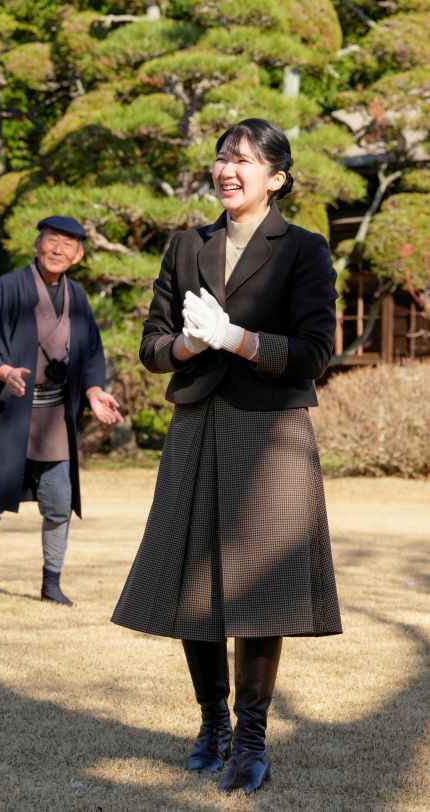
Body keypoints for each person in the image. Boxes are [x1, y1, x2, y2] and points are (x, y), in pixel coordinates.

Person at [112, 119, 342, 794]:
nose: (227, 169)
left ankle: (251, 738)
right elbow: (153, 345)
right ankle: (212, 723)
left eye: (243, 159)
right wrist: (187, 344)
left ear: (277, 177)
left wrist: (236, 338)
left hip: (269, 433)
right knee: (194, 577)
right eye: (221, 157)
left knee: (261, 586)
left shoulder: (304, 250)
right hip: (196, 423)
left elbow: (314, 353)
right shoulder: (187, 245)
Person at [0, 215, 123, 619]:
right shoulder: (7, 288)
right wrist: (4, 372)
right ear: (37, 244)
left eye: (68, 245)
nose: (58, 250)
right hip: (11, 414)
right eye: (52, 240)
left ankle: (52, 584)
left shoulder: (77, 296)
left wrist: (94, 392)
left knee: (59, 504)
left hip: (54, 419)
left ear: (78, 255)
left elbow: (91, 353)